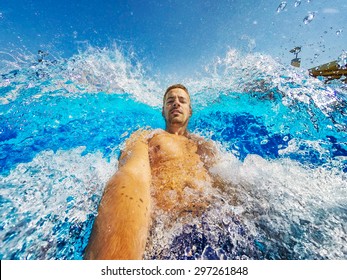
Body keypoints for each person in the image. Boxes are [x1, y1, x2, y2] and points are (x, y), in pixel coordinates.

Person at [84, 84, 220, 260]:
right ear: (163, 111)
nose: (176, 104)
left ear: (190, 110)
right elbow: (133, 174)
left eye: (182, 101)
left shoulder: (205, 145)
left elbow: (225, 180)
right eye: (170, 101)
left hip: (214, 224)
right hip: (166, 232)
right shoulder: (147, 137)